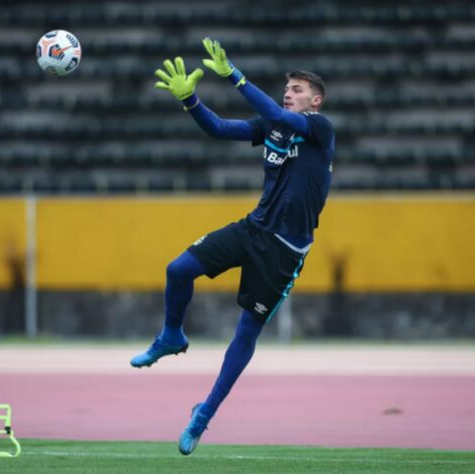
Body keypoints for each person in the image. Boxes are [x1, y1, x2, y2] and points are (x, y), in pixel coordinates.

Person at [130, 38, 335, 455]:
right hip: (253, 229)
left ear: (315, 99)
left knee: (245, 332)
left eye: (297, 89)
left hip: (285, 250)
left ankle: (203, 415)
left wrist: (235, 75)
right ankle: (171, 336)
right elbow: (220, 128)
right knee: (178, 269)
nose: (288, 93)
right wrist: (190, 100)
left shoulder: (320, 128)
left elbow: (277, 113)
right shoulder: (273, 126)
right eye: (288, 88)